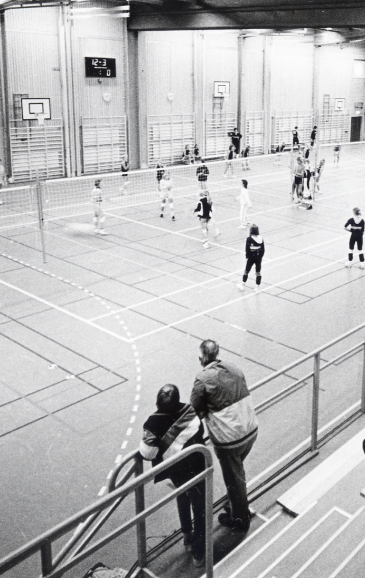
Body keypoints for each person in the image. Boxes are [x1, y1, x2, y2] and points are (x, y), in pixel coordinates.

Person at [190, 340, 258, 531]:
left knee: (234, 478)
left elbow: (195, 409)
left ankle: (240, 519)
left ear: (202, 357)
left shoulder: (202, 379)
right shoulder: (234, 368)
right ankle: (235, 503)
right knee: (236, 472)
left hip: (230, 440)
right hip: (250, 430)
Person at [139, 384, 209, 567]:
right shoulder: (190, 411)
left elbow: (148, 453)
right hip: (198, 465)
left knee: (182, 497)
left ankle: (187, 536)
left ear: (158, 402)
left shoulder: (152, 422)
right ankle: (198, 554)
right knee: (199, 509)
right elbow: (200, 431)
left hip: (176, 471)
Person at [238, 224, 264, 293]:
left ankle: (242, 285)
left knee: (246, 271)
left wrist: (247, 257)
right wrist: (260, 257)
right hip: (258, 258)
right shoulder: (260, 238)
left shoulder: (249, 239)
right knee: (258, 272)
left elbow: (247, 249)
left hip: (251, 258)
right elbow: (263, 249)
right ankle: (257, 287)